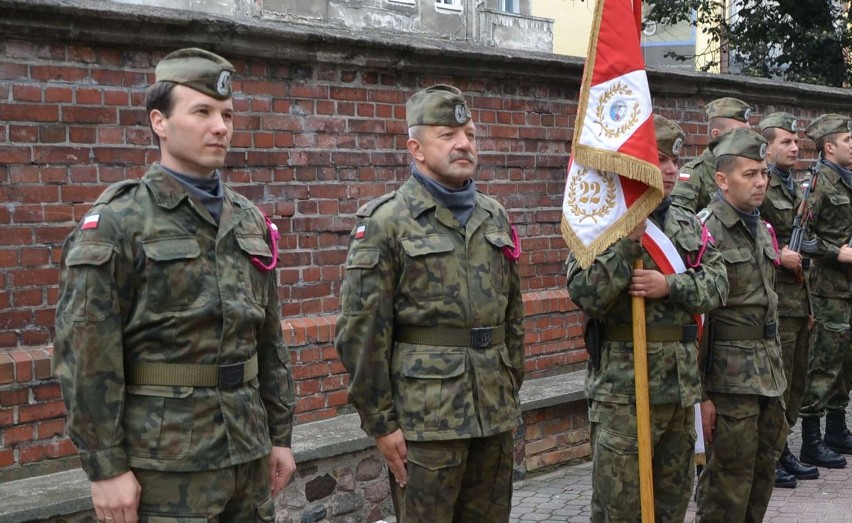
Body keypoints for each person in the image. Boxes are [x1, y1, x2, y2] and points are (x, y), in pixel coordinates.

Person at [53, 48, 296, 523]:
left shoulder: (249, 220)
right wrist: (105, 468)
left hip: (247, 454)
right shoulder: (119, 222)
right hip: (166, 466)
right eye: (202, 112)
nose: (221, 126)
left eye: (227, 114)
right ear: (159, 122)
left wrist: (280, 434)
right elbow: (85, 351)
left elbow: (268, 337)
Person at [335, 84, 525, 522]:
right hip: (425, 423)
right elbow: (362, 333)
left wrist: (510, 386)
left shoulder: (493, 215)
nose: (464, 144)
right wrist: (381, 424)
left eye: (471, 134)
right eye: (448, 135)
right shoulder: (386, 222)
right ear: (416, 148)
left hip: (493, 415)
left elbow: (513, 313)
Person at [566, 115, 728, 523]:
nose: (671, 170)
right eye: (660, 159)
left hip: (678, 390)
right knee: (619, 508)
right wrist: (626, 245)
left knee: (672, 504)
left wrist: (669, 286)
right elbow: (586, 295)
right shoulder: (601, 222)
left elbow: (720, 284)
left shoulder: (688, 222)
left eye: (675, 160)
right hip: (624, 392)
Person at [695, 128, 788, 522]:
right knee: (725, 492)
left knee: (761, 480)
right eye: (750, 174)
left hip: (769, 376)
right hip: (729, 384)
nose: (761, 181)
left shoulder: (762, 227)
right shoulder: (703, 230)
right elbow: (695, 321)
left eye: (763, 173)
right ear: (722, 179)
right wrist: (702, 396)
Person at [756, 112, 821, 487]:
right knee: (777, 385)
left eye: (796, 142)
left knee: (796, 383)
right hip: (777, 300)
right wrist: (778, 253)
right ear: (766, 149)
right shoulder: (762, 186)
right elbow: (752, 233)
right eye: (785, 142)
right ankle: (771, 455)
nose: (794, 147)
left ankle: (783, 449)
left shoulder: (795, 186)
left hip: (800, 299)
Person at [798, 113, 852, 469]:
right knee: (825, 363)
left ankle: (836, 428)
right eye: (848, 141)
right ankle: (810, 440)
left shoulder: (846, 179)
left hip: (848, 288)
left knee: (846, 363)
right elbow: (802, 239)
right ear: (829, 146)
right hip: (830, 288)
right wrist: (837, 252)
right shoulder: (818, 184)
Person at [671, 97, 752, 212]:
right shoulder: (693, 174)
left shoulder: (750, 171)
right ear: (716, 135)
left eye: (748, 133)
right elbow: (681, 222)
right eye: (739, 133)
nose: (747, 139)